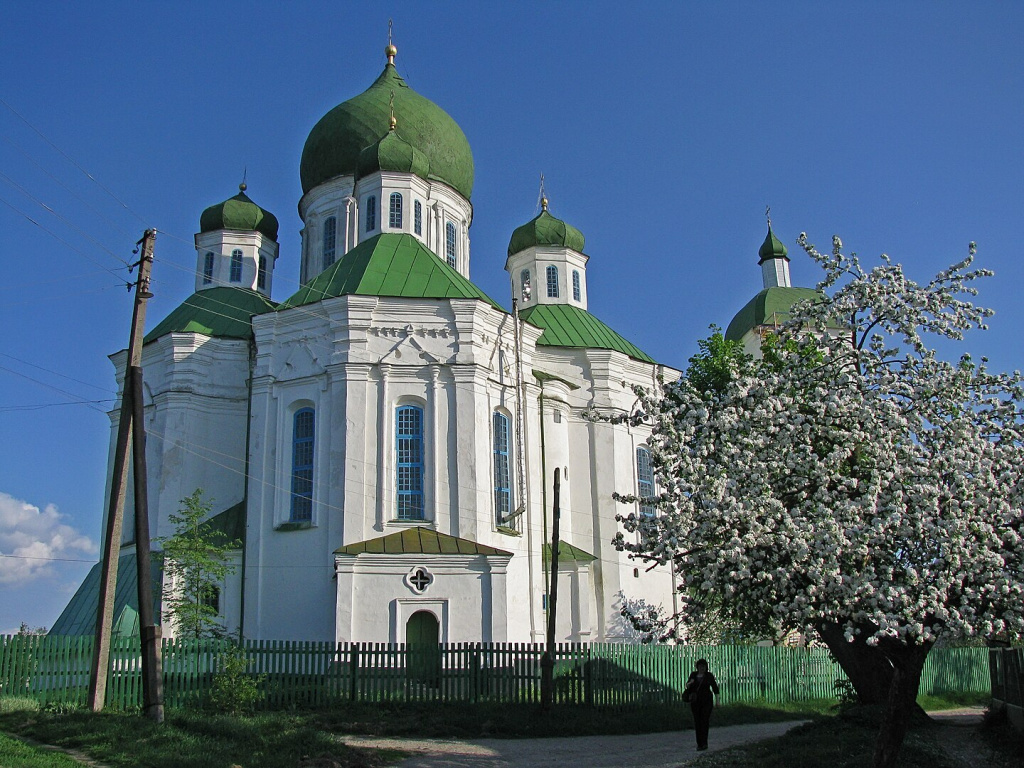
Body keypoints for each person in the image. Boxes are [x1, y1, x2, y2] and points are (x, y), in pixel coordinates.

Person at [684, 658, 720, 751]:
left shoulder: (709, 676)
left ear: (706, 667)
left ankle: (704, 743)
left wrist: (717, 701)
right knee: (697, 722)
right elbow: (687, 686)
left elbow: (715, 688)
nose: (702, 668)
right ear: (697, 667)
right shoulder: (693, 675)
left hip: (707, 702)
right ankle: (699, 744)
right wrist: (690, 683)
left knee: (704, 721)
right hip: (695, 702)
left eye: (703, 666)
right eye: (700, 666)